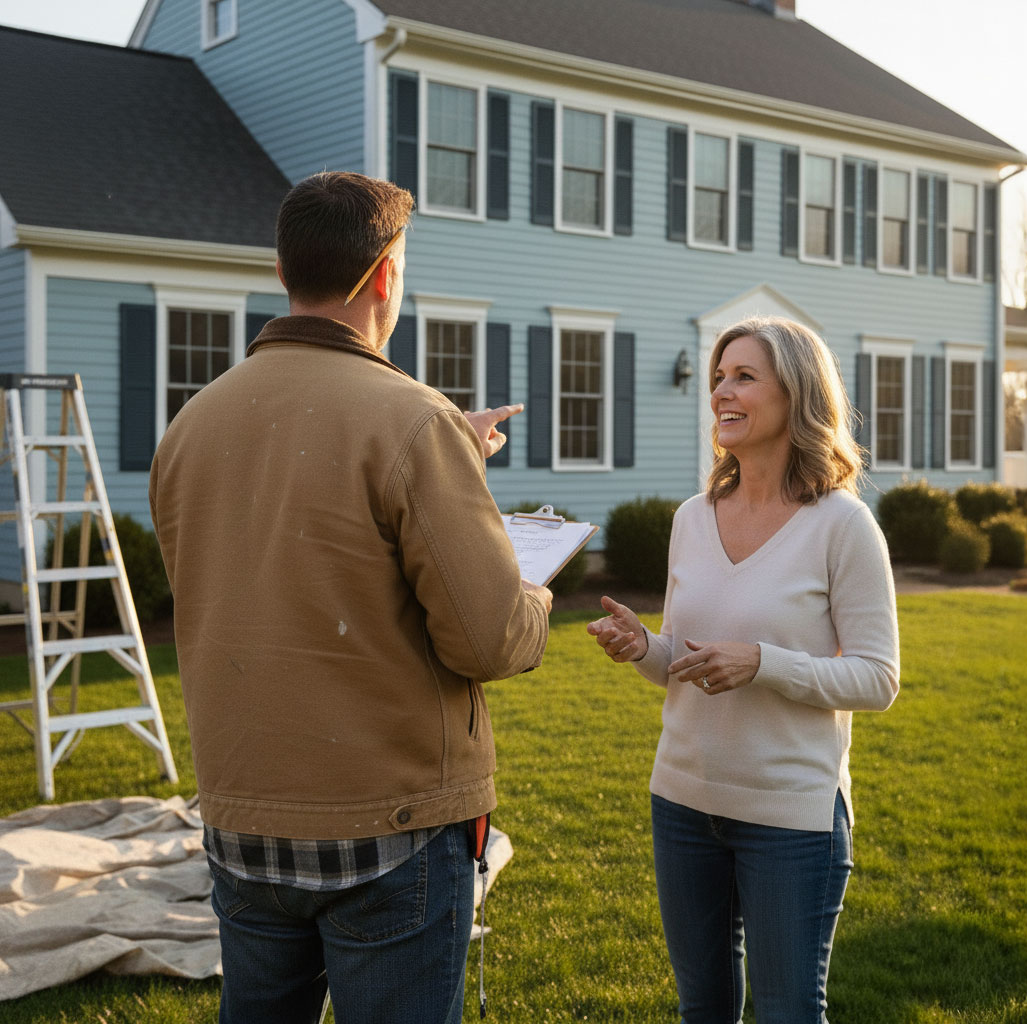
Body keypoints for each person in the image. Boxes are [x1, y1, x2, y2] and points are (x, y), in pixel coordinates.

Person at [148, 170, 552, 1024]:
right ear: (386, 275)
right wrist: (534, 591)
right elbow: (489, 640)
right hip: (390, 826)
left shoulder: (191, 425)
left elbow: (293, 553)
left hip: (243, 819)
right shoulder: (413, 420)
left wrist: (451, 459)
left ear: (290, 269)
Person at [589, 316, 900, 1023]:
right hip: (681, 803)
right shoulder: (693, 518)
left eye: (744, 377)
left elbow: (879, 679)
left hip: (789, 817)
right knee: (703, 1010)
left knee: (788, 1011)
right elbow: (684, 661)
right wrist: (645, 648)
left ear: (796, 395)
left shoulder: (842, 526)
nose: (722, 392)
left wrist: (765, 663)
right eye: (719, 377)